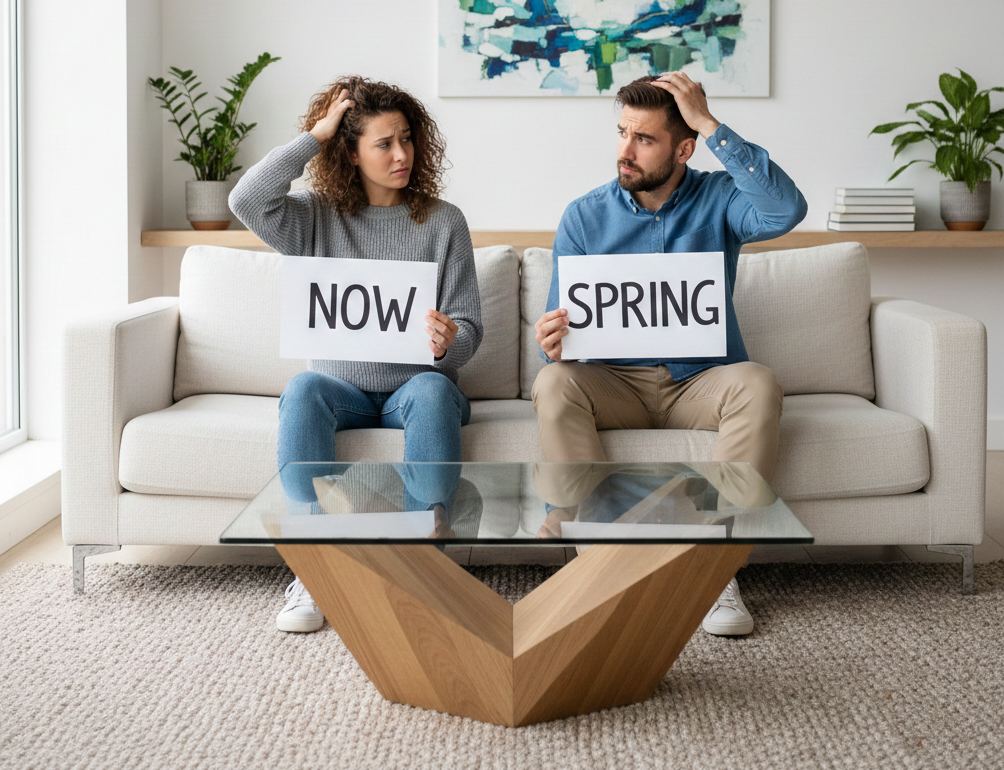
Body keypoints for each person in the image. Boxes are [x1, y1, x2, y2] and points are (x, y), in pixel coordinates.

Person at [532, 70, 806, 636]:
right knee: (553, 385)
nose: (625, 152)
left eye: (645, 139)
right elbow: (564, 338)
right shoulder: (584, 216)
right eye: (621, 133)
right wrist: (554, 340)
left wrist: (712, 124)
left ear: (684, 147)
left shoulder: (720, 198)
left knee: (757, 383)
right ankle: (601, 566)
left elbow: (785, 211)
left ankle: (709, 571)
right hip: (616, 384)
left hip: (699, 382)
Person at [229, 76, 482, 633]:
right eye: (384, 143)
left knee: (436, 389)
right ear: (349, 151)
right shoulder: (312, 218)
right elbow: (245, 199)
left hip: (415, 388)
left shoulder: (443, 221)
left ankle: (425, 554)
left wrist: (451, 339)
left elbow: (470, 327)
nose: (402, 155)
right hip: (341, 391)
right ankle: (314, 566)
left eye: (408, 139)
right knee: (301, 389)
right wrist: (313, 137)